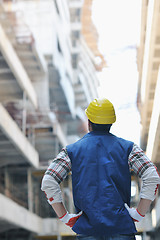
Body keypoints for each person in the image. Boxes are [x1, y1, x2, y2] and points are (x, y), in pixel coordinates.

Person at [41, 98, 160, 240]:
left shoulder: (71, 151)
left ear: (89, 121)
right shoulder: (128, 148)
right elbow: (152, 176)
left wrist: (65, 216)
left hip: (88, 232)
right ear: (111, 122)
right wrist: (140, 213)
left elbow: (48, 181)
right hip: (121, 229)